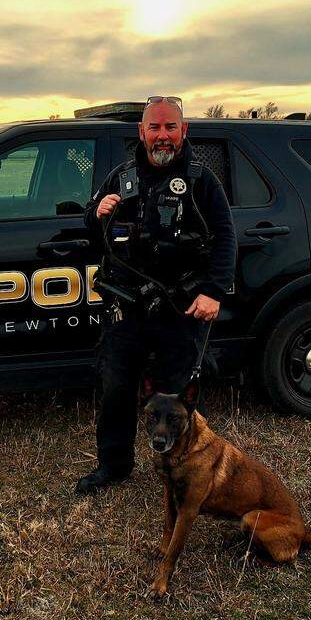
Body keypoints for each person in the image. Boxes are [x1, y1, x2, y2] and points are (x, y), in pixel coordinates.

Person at [76, 96, 236, 495]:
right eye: (154, 127)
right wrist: (97, 213)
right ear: (141, 132)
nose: (162, 135)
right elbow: (92, 230)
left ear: (184, 131)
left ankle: (179, 469)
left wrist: (213, 291)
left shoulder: (201, 180)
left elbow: (226, 237)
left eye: (170, 127)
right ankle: (114, 466)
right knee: (115, 387)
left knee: (176, 396)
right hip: (125, 305)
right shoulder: (122, 175)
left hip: (180, 306)